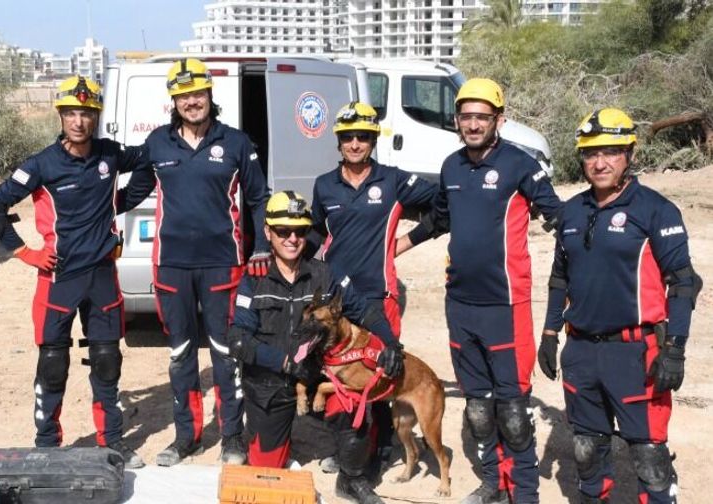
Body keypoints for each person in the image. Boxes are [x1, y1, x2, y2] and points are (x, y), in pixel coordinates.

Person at [400, 78, 562, 504]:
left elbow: (559, 216)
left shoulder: (519, 165)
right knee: (478, 405)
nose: (473, 124)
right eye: (466, 116)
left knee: (512, 409)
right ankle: (492, 481)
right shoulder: (451, 166)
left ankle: (523, 491)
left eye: (482, 117)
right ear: (457, 120)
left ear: (499, 120)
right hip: (460, 304)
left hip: (506, 304)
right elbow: (438, 220)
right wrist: (399, 245)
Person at [0, 75, 145, 468]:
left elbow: (150, 162)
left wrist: (116, 204)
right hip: (58, 278)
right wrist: (23, 252)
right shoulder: (41, 164)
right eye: (71, 112)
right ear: (61, 116)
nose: (79, 121)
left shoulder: (110, 154)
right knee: (53, 364)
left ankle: (113, 443)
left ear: (96, 117)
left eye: (86, 113)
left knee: (107, 361)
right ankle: (47, 444)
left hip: (103, 275)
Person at [537, 108, 702, 504]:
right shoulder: (571, 212)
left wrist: (675, 349)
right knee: (587, 450)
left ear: (629, 153)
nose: (600, 162)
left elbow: (683, 283)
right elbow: (560, 277)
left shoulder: (655, 210)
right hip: (581, 351)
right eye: (591, 153)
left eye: (610, 151)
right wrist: (549, 333)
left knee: (649, 457)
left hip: (636, 354)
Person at [118, 58, 271, 467]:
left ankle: (233, 438)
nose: (192, 101)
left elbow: (258, 197)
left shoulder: (236, 142)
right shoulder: (158, 143)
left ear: (209, 95)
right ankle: (186, 436)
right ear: (174, 100)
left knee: (226, 351)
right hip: (171, 265)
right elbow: (132, 194)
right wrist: (91, 214)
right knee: (181, 352)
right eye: (184, 95)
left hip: (223, 263)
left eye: (198, 93)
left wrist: (261, 248)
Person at [227, 191, 402, 504]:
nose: (292, 238)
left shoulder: (326, 272)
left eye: (300, 231)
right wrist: (284, 363)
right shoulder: (253, 279)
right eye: (283, 231)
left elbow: (366, 311)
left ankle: (351, 479)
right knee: (268, 470)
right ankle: (267, 438)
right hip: (270, 384)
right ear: (268, 232)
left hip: (319, 378)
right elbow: (238, 340)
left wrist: (391, 343)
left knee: (355, 408)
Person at [306, 101, 438, 466]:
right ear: (339, 142)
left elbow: (442, 203)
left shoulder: (393, 180)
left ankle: (380, 451)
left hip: (380, 295)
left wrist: (410, 241)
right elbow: (316, 233)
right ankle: (351, 448)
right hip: (337, 300)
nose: (355, 144)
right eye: (348, 137)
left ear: (373, 140)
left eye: (363, 137)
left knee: (383, 372)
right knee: (341, 372)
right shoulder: (324, 186)